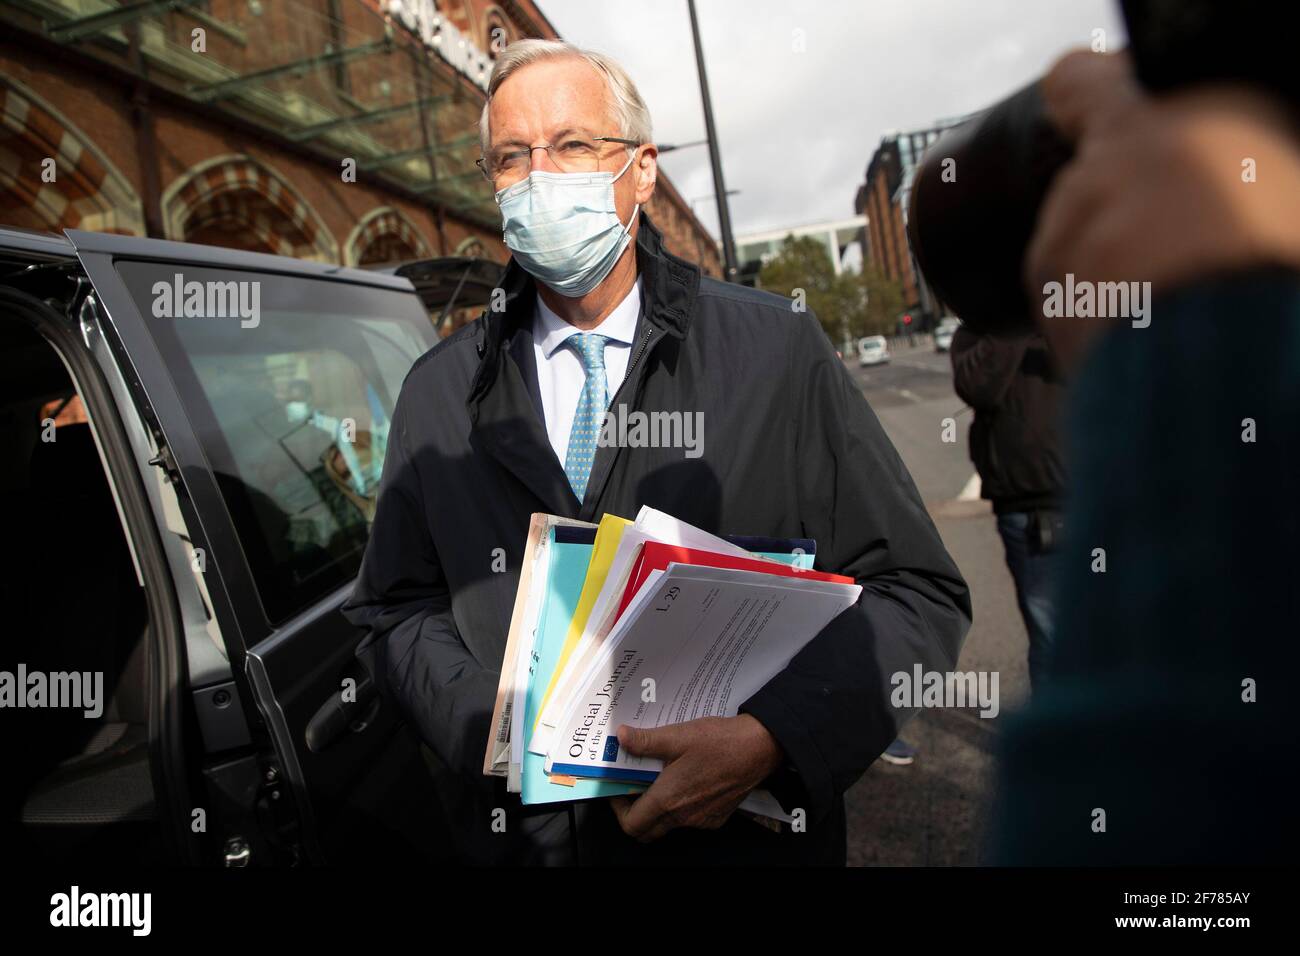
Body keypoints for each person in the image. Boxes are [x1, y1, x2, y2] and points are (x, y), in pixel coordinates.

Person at [342, 39, 970, 865]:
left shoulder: (775, 349)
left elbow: (914, 590)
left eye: (570, 146)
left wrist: (775, 736)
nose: (539, 176)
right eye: (510, 158)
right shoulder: (437, 391)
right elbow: (394, 608)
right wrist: (491, 731)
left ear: (640, 171)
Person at [992, 50, 1300, 863]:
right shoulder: (1000, 329)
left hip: (1078, 489)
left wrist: (1196, 325)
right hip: (1030, 502)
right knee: (1051, 634)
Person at [950, 327, 1066, 690]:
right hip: (1029, 510)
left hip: (1102, 495)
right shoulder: (979, 328)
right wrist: (1011, 321)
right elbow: (976, 386)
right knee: (1052, 635)